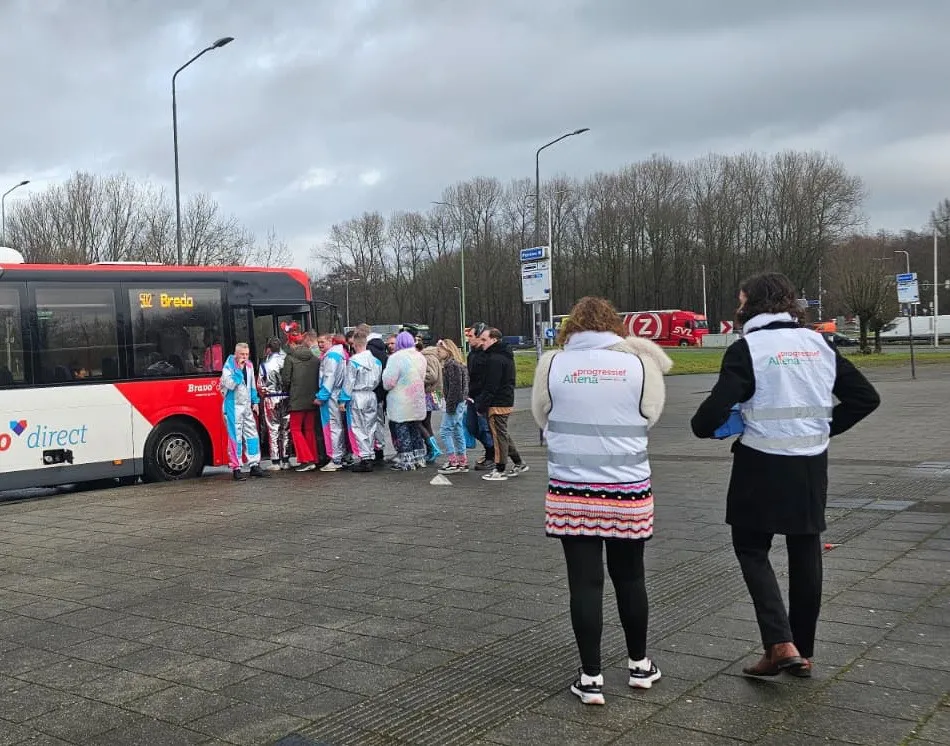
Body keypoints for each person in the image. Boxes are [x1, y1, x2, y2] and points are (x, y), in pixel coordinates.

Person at [691, 272, 880, 679]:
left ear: (753, 305)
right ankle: (803, 652)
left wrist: (709, 425)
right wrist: (824, 428)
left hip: (761, 462)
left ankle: (779, 642)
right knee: (805, 552)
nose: (737, 309)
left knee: (751, 549)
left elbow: (708, 416)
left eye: (741, 302)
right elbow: (866, 397)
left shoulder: (749, 349)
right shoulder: (819, 343)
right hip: (810, 463)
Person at [532, 296, 671, 705]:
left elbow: (543, 417)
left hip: (572, 489)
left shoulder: (551, 364)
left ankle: (591, 677)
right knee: (631, 578)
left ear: (571, 327)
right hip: (628, 489)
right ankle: (639, 665)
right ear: (614, 326)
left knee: (584, 583)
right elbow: (651, 414)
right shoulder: (641, 364)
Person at [476, 327, 527, 481]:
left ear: (494, 340)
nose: (482, 343)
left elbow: (491, 385)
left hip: (497, 402)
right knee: (502, 434)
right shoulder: (503, 355)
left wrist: (481, 405)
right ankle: (519, 462)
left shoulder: (495, 359)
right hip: (504, 399)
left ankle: (500, 468)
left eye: (484, 340)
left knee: (498, 436)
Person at [220, 343, 270, 481]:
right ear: (236, 354)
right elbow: (229, 385)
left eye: (247, 354)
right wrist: (238, 371)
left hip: (246, 405)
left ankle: (254, 464)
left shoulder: (249, 365)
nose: (245, 357)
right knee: (235, 436)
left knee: (251, 434)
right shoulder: (228, 367)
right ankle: (236, 467)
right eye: (242, 354)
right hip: (233, 405)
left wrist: (255, 401)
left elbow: (252, 385)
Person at [382, 331, 428, 471]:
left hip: (400, 400)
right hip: (416, 398)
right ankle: (419, 458)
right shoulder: (420, 357)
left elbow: (389, 382)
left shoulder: (396, 358)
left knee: (402, 430)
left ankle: (406, 461)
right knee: (415, 429)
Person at [339, 328, 382, 472]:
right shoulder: (376, 361)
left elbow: (349, 382)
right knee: (370, 426)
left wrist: (343, 400)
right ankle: (370, 453)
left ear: (355, 344)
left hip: (357, 395)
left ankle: (365, 458)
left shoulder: (354, 361)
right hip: (371, 394)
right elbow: (378, 379)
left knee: (358, 427)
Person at [281, 330, 321, 472]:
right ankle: (314, 458)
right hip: (312, 399)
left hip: (296, 400)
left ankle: (306, 459)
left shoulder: (290, 358)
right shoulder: (315, 358)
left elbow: (286, 380)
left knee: (296, 429)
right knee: (309, 429)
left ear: (292, 343)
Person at [435, 339, 469, 474]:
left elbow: (455, 388)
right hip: (461, 402)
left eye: (439, 350)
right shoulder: (459, 365)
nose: (437, 353)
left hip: (454, 402)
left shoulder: (451, 366)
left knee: (445, 431)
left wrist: (450, 405)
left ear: (447, 350)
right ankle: (462, 460)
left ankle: (453, 460)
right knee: (457, 430)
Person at [315, 334, 348, 472]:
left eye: (322, 342)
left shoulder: (331, 357)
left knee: (333, 426)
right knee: (337, 426)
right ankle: (339, 456)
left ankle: (335, 458)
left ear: (330, 341)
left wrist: (321, 396)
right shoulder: (340, 354)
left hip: (331, 396)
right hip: (336, 393)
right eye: (318, 342)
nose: (320, 345)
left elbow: (329, 377)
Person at [465, 323, 495, 469]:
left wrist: (484, 398)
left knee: (485, 428)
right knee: (471, 427)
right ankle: (489, 449)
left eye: (471, 336)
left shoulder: (486, 355)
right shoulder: (471, 355)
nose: (468, 339)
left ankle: (491, 454)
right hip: (472, 396)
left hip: (482, 397)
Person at [258, 337, 291, 470]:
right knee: (286, 429)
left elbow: (260, 385)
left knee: (273, 429)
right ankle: (286, 460)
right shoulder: (287, 361)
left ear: (269, 349)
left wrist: (264, 392)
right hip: (286, 397)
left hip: (271, 398)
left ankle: (275, 461)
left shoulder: (264, 365)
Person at [364, 328, 391, 463]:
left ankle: (370, 450)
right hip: (381, 393)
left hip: (370, 392)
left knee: (369, 423)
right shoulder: (384, 354)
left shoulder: (368, 354)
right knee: (380, 422)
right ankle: (380, 448)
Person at [420, 344, 445, 463]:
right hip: (434, 393)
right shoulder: (434, 357)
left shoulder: (427, 357)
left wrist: (417, 377)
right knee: (426, 422)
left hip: (428, 393)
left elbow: (432, 376)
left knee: (417, 421)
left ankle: (432, 447)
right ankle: (431, 449)